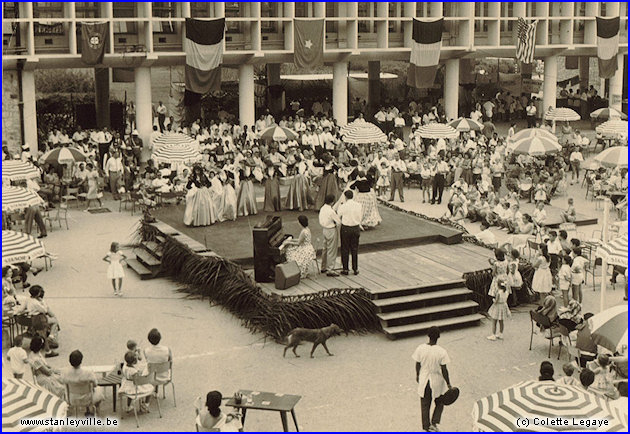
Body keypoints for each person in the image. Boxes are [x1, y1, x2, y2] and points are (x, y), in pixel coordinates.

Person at [412, 326, 452, 432]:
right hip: (437, 381)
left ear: (428, 336)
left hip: (424, 380)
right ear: (438, 337)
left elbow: (417, 363)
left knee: (425, 404)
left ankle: (426, 427)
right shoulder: (441, 352)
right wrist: (448, 383)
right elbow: (444, 369)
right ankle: (434, 422)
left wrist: (417, 375)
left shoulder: (420, 348)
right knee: (440, 402)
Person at [60, 350, 105, 416]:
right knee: (99, 390)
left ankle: (88, 410)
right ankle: (93, 411)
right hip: (88, 399)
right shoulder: (88, 372)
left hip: (72, 399)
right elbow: (95, 384)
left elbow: (63, 383)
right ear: (81, 360)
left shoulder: (65, 372)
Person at [337, 190, 362, 276]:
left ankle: (345, 269)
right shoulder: (359, 205)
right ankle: (355, 268)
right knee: (354, 249)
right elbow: (360, 216)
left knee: (345, 248)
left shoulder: (343, 206)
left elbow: (338, 214)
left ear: (345, 197)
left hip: (346, 228)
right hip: (355, 227)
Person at [319, 194, 340, 277]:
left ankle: (323, 266)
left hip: (324, 229)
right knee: (331, 250)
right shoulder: (331, 211)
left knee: (325, 248)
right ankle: (330, 269)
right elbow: (338, 221)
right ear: (332, 202)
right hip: (331, 229)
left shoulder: (322, 209)